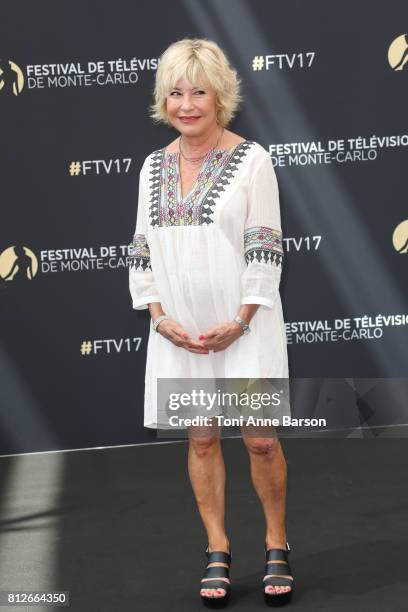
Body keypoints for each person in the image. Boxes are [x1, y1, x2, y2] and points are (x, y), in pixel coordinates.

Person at [128, 38, 293, 607]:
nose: (186, 104)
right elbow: (142, 250)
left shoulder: (253, 161)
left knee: (262, 441)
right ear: (163, 100)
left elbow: (265, 244)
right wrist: (158, 316)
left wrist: (242, 319)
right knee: (201, 441)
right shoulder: (153, 166)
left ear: (220, 95)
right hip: (180, 334)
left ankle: (276, 542)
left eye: (198, 91)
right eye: (175, 93)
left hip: (244, 328)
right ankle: (217, 549)